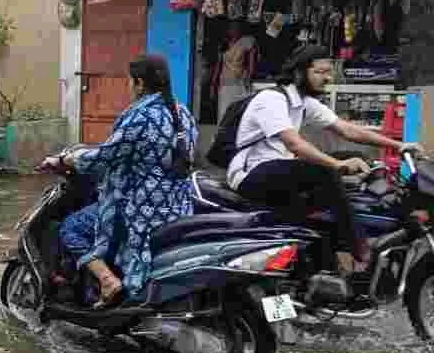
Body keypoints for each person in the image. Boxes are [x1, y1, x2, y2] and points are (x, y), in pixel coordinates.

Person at [227, 45, 424, 274]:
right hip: (251, 174)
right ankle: (361, 250)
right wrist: (337, 166)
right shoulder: (271, 99)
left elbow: (347, 130)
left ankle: (327, 265)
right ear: (300, 73)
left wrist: (400, 146)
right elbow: (294, 144)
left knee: (353, 159)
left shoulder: (303, 102)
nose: (327, 78)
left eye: (329, 72)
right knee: (326, 171)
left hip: (278, 170)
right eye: (320, 72)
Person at [48, 54, 198, 307]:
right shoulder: (182, 113)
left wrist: (67, 160)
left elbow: (105, 157)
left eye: (130, 81)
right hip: (178, 207)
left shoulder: (140, 117)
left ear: (139, 83)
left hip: (140, 210)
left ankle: (107, 280)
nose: (129, 86)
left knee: (72, 227)